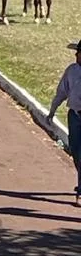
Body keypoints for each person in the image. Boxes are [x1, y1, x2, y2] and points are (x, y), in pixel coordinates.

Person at [47, 39, 81, 198]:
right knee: (76, 151)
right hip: (74, 115)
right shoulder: (72, 70)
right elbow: (62, 92)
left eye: (79, 53)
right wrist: (52, 111)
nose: (76, 55)